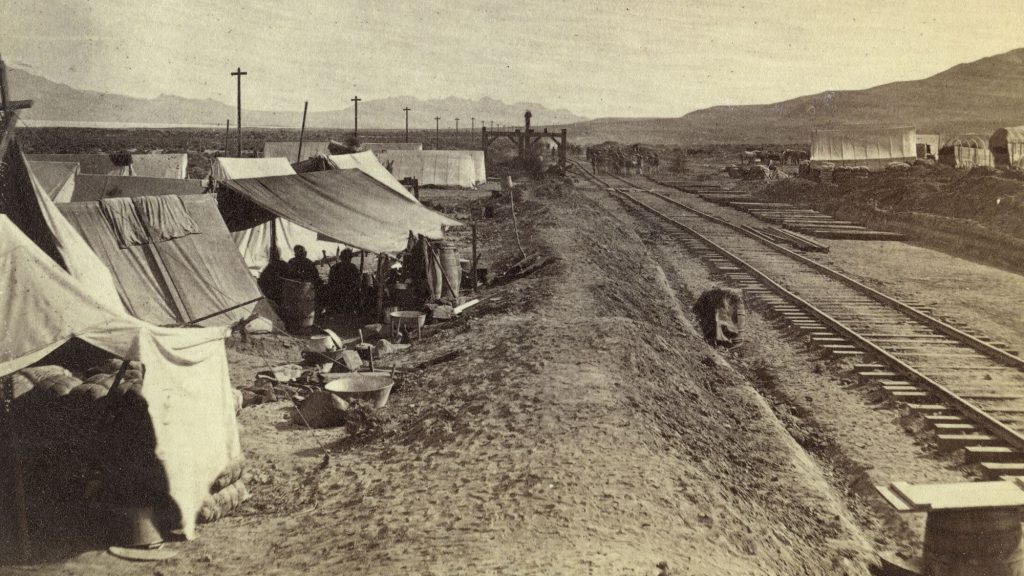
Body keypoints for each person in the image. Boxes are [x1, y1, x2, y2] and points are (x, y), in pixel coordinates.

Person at [326, 249, 361, 314]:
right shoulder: (352, 267)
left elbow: (330, 283)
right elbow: (358, 282)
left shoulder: (335, 267)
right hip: (347, 297)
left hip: (339, 298)